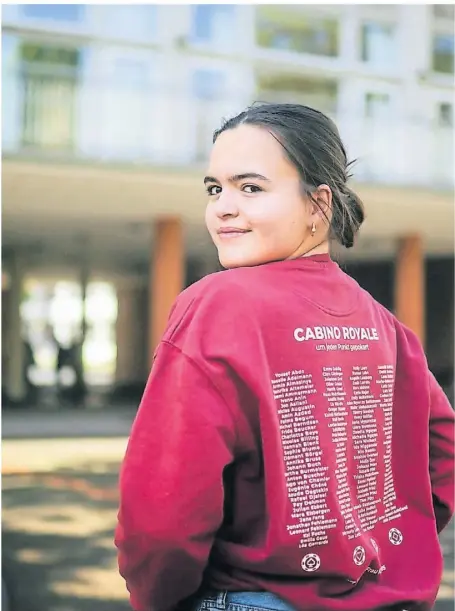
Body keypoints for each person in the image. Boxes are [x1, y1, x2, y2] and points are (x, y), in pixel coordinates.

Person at [115, 103, 454, 611]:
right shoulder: (385, 326)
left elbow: (163, 513)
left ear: (318, 204)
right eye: (215, 188)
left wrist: (155, 600)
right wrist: (378, 554)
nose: (223, 207)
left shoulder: (218, 305)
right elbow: (443, 456)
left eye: (250, 187)